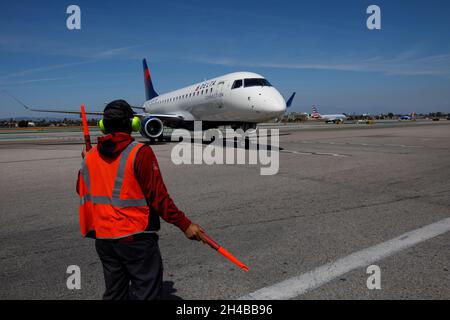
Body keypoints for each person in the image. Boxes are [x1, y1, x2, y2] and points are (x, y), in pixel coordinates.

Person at [76, 99, 204, 300]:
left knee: (115, 294)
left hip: (104, 238)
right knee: (147, 294)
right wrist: (185, 225)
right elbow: (159, 198)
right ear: (133, 124)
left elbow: (81, 190)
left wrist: (85, 162)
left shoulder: (91, 156)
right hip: (135, 236)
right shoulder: (140, 153)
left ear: (103, 126)